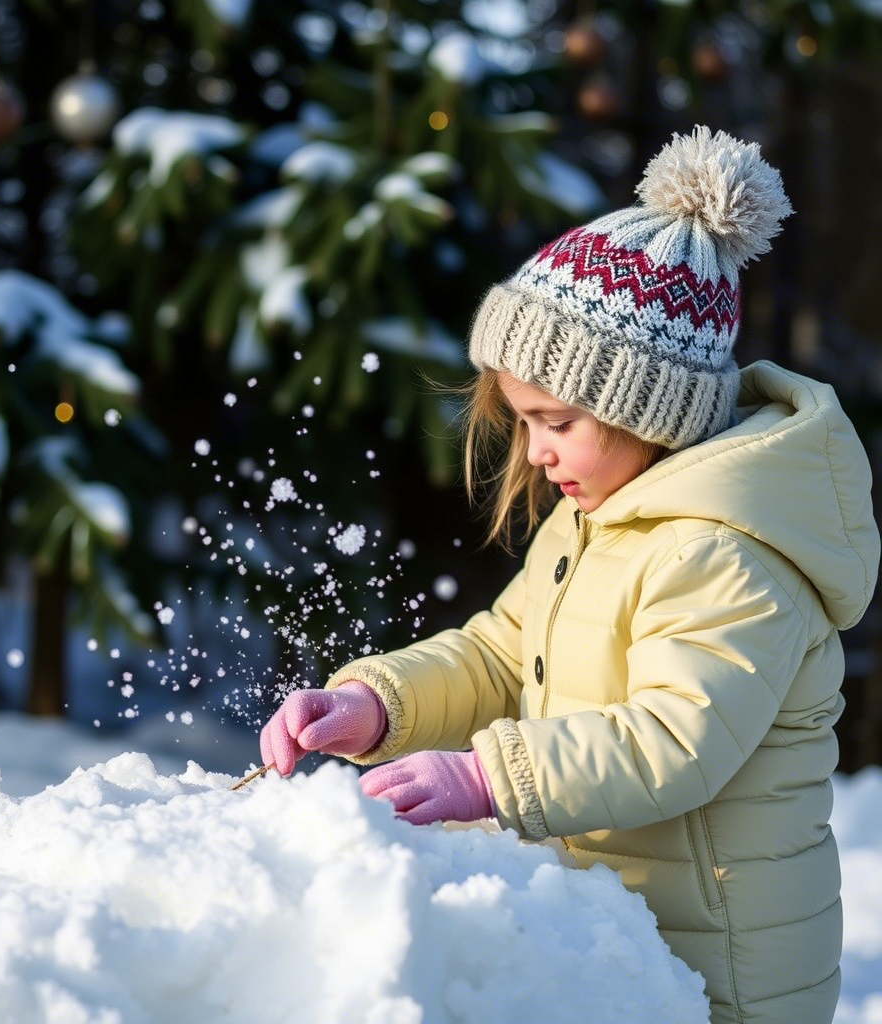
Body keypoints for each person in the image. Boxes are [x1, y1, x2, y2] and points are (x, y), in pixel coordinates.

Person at [259, 125, 880, 1024]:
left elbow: (674, 740)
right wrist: (380, 703)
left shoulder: (727, 553)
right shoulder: (596, 521)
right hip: (620, 943)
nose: (535, 452)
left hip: (723, 975)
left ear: (651, 410)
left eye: (556, 422)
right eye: (523, 422)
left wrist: (489, 777)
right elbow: (501, 656)